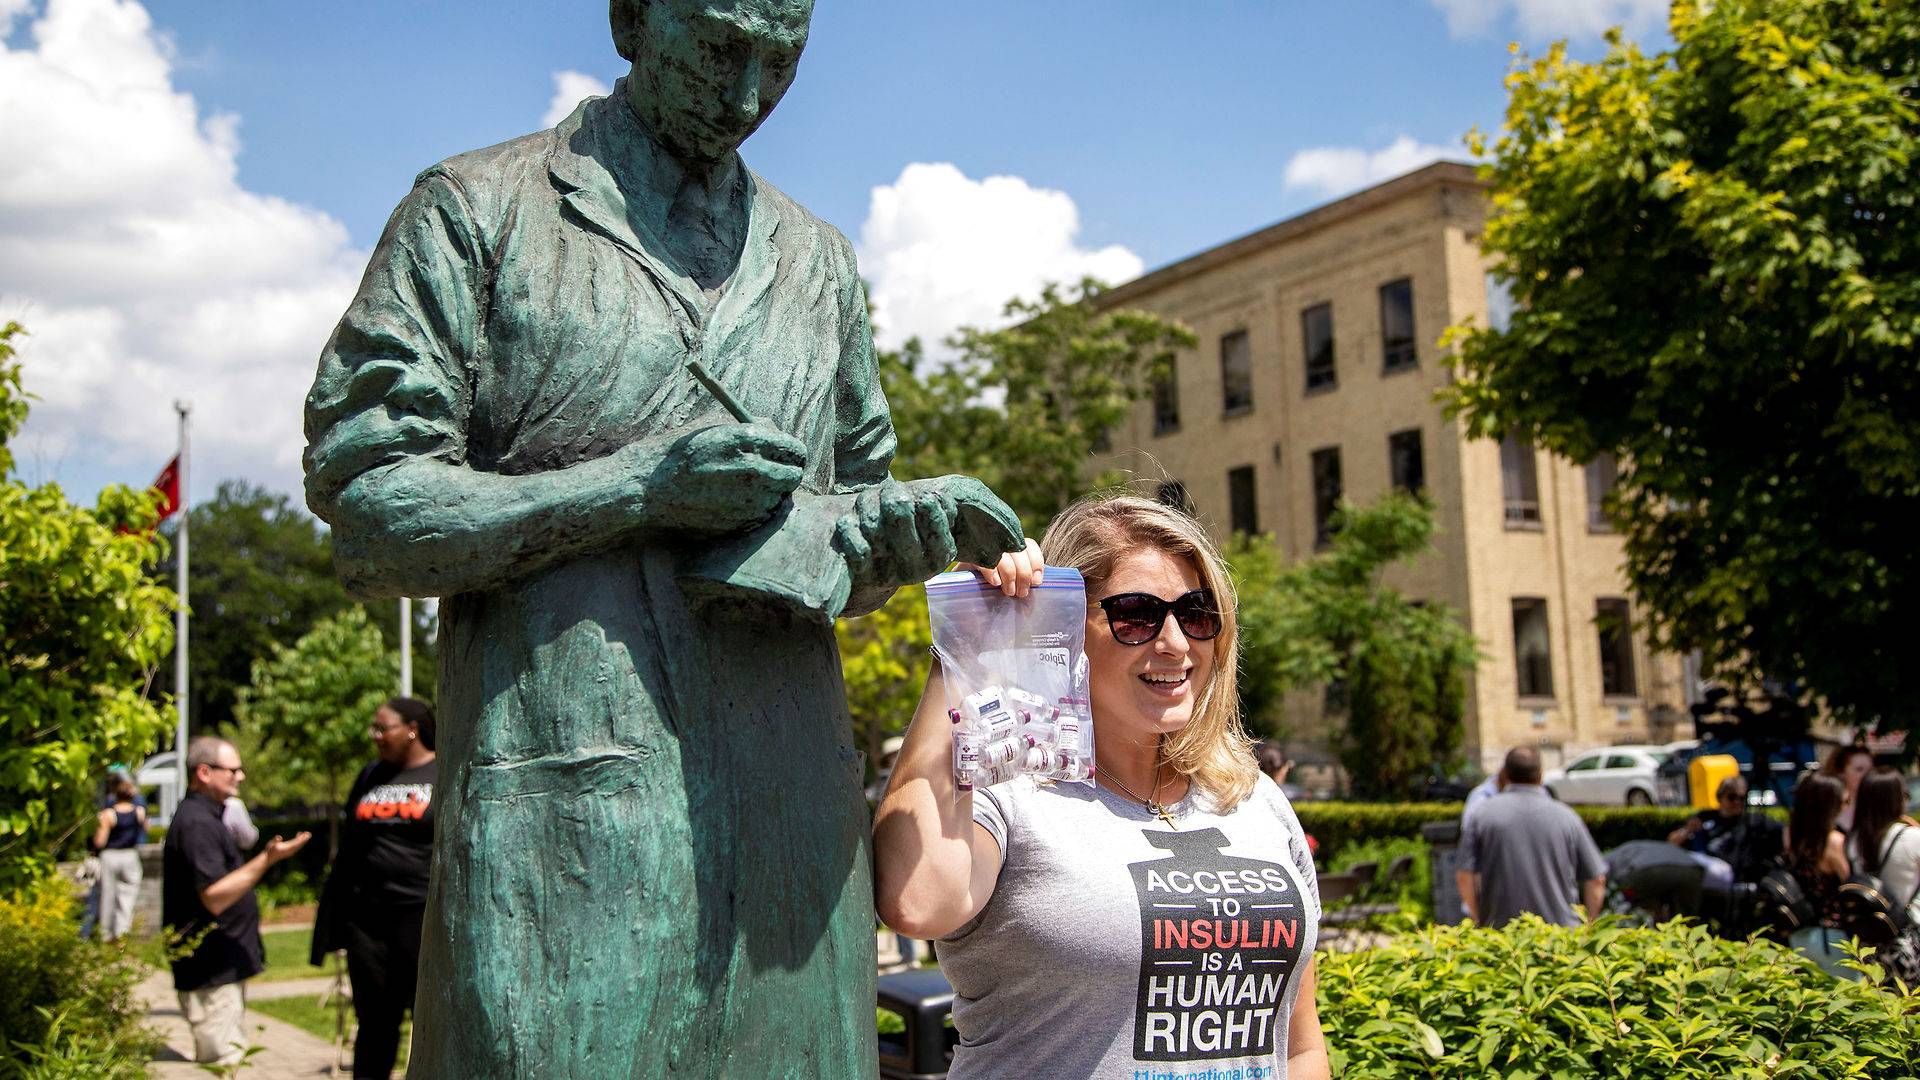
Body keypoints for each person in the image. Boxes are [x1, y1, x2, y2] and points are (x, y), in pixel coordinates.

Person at [302, 2, 1020, 1070]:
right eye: (722, 49)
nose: (746, 98)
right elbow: (369, 507)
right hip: (563, 848)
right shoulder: (478, 212)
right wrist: (635, 488)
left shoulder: (816, 263)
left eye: (781, 64)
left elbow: (843, 514)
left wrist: (897, 528)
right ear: (632, 15)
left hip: (790, 848)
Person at [874, 494, 1329, 1078]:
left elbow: (1298, 1045)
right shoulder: (1010, 791)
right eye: (1136, 614)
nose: (1174, 642)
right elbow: (917, 901)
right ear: (1063, 627)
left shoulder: (1253, 798)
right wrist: (966, 646)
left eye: (1196, 612)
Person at [163, 736, 311, 1065]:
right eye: (232, 770)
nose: (240, 777)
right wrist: (267, 859)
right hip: (209, 970)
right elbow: (215, 897)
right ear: (204, 772)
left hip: (219, 966)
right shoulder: (197, 823)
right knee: (223, 1064)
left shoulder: (208, 816)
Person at [312, 698, 438, 1079]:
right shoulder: (371, 776)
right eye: (374, 728)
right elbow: (349, 846)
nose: (376, 736)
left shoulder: (442, 771)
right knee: (374, 1024)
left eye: (384, 729)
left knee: (429, 1020)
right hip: (368, 924)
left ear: (413, 728)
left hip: (421, 920)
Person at [1457, 747, 1607, 928]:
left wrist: (1478, 919)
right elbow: (1597, 879)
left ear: (1505, 774)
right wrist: (1588, 927)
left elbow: (1464, 876)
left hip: (1502, 936)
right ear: (1540, 775)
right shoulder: (1567, 817)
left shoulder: (1481, 815)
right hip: (1561, 937)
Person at [1780, 772, 1851, 974]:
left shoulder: (1791, 835)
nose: (1845, 806)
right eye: (1843, 801)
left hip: (1800, 935)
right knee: (1851, 1001)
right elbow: (1851, 885)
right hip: (1833, 938)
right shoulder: (1834, 842)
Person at [1666, 774, 1782, 889]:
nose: (1737, 802)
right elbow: (1672, 842)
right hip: (1702, 869)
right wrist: (1687, 830)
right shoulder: (1705, 817)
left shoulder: (1751, 821)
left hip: (1730, 875)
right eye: (1731, 797)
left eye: (1741, 798)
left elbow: (1783, 831)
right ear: (1720, 798)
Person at [1847, 768, 1920, 925]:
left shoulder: (1853, 839)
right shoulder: (1911, 836)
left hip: (1869, 931)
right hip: (1907, 932)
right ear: (1896, 799)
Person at [91, 774, 147, 941]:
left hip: (110, 855)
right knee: (128, 896)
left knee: (107, 895)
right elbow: (145, 830)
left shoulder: (108, 814)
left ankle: (106, 935)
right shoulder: (139, 812)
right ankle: (122, 933)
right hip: (130, 855)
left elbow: (99, 841)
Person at [1820, 745, 1873, 834]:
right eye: (1859, 769)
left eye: (1870, 770)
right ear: (1841, 772)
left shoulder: (1877, 808)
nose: (1867, 775)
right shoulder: (1826, 809)